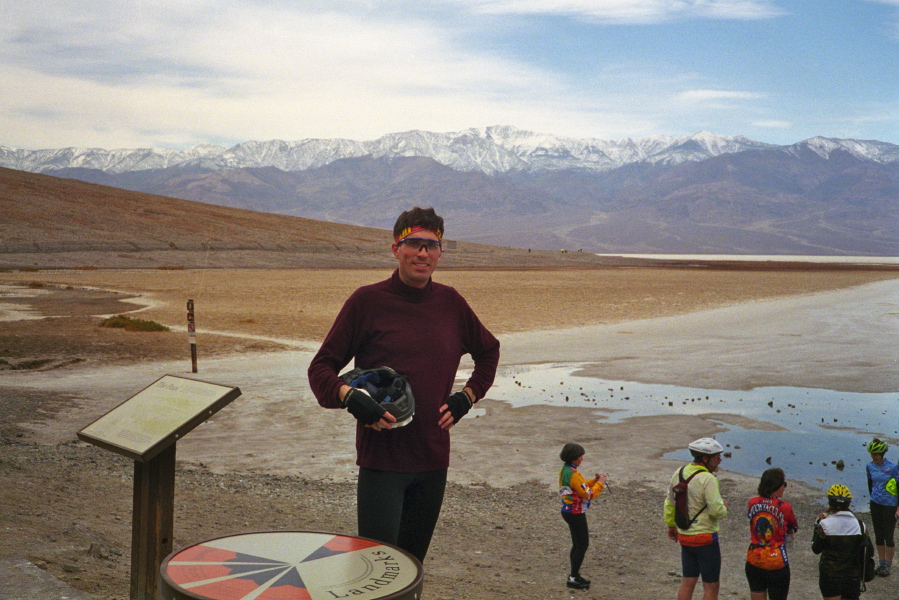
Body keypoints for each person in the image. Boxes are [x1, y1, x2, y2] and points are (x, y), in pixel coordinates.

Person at [307, 207, 500, 564]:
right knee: (377, 568)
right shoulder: (367, 302)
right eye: (413, 243)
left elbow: (489, 351)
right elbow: (321, 369)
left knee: (412, 569)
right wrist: (350, 397)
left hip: (432, 460)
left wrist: (467, 397)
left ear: (440, 253)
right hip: (382, 462)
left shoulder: (451, 304)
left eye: (432, 245)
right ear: (396, 248)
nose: (422, 253)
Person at [664, 437, 729, 600]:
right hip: (706, 539)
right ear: (705, 458)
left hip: (685, 537)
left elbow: (670, 503)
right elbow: (715, 511)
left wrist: (671, 526)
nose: (719, 460)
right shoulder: (709, 479)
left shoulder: (679, 472)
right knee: (711, 586)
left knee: (687, 582)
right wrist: (724, 508)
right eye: (716, 457)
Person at [812, 484, 874, 600]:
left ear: (829, 503)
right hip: (852, 577)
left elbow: (816, 549)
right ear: (849, 504)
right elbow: (870, 550)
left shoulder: (824, 525)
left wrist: (817, 527)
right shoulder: (860, 526)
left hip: (830, 576)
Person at [558, 442, 607, 590]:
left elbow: (582, 486)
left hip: (567, 511)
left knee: (577, 544)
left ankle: (574, 575)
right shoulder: (574, 474)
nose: (582, 458)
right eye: (580, 456)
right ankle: (573, 578)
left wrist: (594, 481)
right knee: (582, 545)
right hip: (575, 513)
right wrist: (601, 484)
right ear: (573, 457)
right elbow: (588, 494)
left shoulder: (565, 470)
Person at [745, 468, 799, 600]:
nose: (785, 487)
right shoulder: (785, 507)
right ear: (777, 486)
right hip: (776, 562)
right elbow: (794, 526)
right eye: (784, 484)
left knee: (757, 593)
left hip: (754, 558)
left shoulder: (752, 502)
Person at [865, 437, 898, 576]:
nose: (874, 457)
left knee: (888, 536)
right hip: (875, 503)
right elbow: (869, 484)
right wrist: (872, 499)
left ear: (882, 454)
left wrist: (898, 508)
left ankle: (888, 565)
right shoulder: (869, 466)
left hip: (890, 504)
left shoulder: (893, 467)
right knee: (878, 535)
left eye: (876, 455)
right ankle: (881, 563)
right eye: (872, 454)